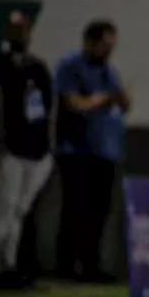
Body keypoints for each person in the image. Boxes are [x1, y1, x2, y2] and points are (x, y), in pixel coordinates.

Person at [0, 11, 54, 285]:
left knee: (19, 210)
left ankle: (9, 262)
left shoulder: (37, 68)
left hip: (36, 151)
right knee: (3, 204)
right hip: (9, 148)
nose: (21, 34)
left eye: (24, 29)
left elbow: (47, 110)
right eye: (15, 29)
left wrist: (48, 147)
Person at [54, 19, 128, 282]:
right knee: (76, 210)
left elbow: (123, 101)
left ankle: (90, 264)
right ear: (91, 42)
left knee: (99, 211)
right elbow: (73, 103)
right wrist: (102, 100)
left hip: (106, 152)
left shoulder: (109, 72)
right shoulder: (71, 66)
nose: (109, 51)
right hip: (77, 151)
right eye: (105, 45)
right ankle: (66, 264)